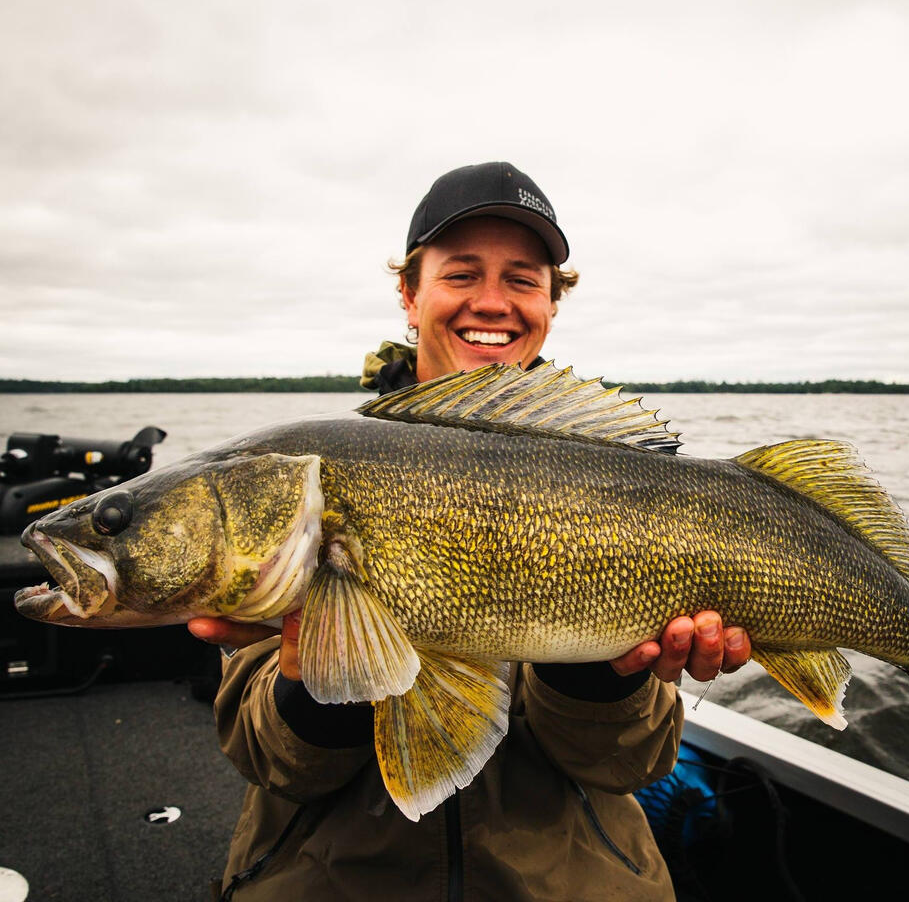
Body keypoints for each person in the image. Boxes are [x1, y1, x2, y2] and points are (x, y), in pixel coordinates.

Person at [189, 162, 752, 901]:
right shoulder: (297, 481)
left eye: (522, 279)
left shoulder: (621, 476)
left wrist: (591, 659)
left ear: (552, 302)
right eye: (460, 274)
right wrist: (330, 664)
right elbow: (274, 762)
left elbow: (626, 767)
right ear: (409, 293)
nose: (493, 302)